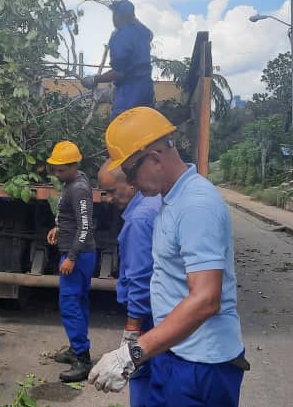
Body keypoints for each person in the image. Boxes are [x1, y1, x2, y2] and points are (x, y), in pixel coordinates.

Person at [88, 107, 247, 406]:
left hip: (201, 366)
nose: (130, 184)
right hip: (174, 353)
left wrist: (133, 352)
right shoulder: (170, 200)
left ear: (155, 158)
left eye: (130, 173)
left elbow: (206, 299)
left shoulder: (196, 205)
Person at [97, 158, 161, 407]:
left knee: (143, 374)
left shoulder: (140, 219)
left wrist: (131, 333)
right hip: (162, 312)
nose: (109, 199)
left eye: (112, 191)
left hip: (149, 318)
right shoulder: (154, 204)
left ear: (132, 184)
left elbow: (141, 278)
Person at [45, 140, 98, 382]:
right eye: (55, 169)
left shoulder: (78, 188)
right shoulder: (73, 182)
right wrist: (58, 227)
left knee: (70, 304)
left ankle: (83, 359)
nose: (57, 173)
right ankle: (76, 348)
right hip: (76, 252)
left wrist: (71, 257)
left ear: (74, 165)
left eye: (61, 170)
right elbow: (72, 218)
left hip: (78, 255)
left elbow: (85, 226)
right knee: (79, 302)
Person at [81, 0, 154, 118]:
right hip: (146, 89)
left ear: (118, 15)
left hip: (130, 93)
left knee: (121, 126)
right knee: (143, 127)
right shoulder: (142, 32)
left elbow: (119, 72)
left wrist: (94, 79)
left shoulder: (122, 36)